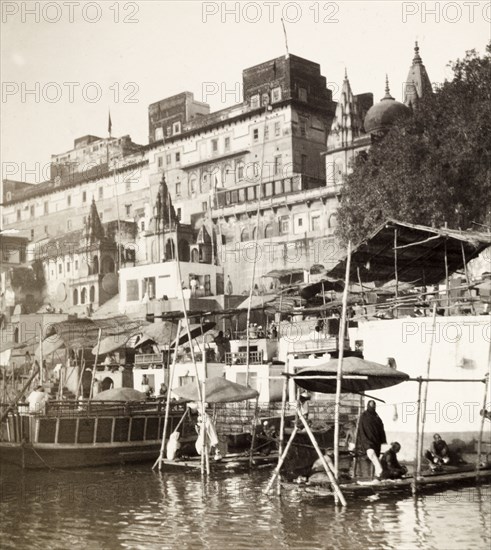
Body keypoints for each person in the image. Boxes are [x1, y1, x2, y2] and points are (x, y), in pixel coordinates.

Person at [357, 400, 387, 479]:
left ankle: (376, 476)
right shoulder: (364, 416)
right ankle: (379, 472)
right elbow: (361, 429)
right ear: (368, 406)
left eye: (374, 406)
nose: (373, 407)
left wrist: (382, 440)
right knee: (371, 453)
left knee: (375, 457)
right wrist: (362, 440)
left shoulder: (376, 416)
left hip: (376, 441)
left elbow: (381, 427)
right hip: (366, 440)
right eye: (371, 406)